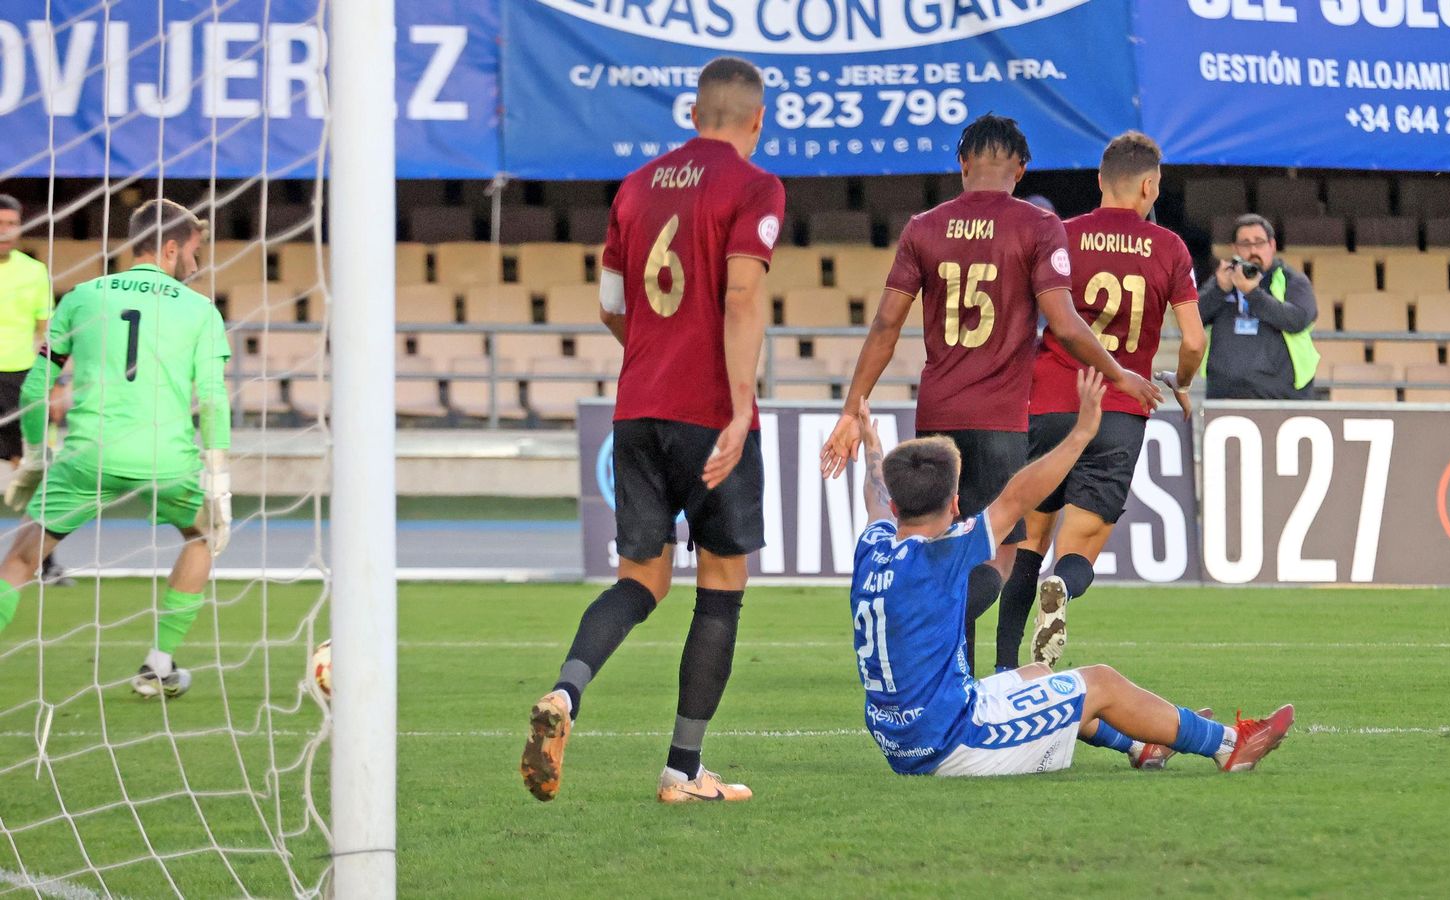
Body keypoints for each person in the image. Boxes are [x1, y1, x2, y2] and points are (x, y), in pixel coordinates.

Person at [520, 57, 784, 805]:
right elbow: (740, 298)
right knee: (722, 588)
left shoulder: (635, 187)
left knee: (641, 581)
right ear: (755, 120)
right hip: (707, 412)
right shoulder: (755, 187)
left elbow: (607, 302)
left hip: (636, 406)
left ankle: (566, 693)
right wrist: (738, 407)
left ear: (692, 113)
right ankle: (682, 769)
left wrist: (652, 352)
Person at [820, 114, 1163, 675]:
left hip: (937, 418)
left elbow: (884, 325)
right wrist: (1120, 374)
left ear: (961, 163)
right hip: (1005, 420)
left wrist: (852, 406)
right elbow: (1068, 324)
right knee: (997, 554)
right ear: (1021, 169)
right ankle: (933, 624)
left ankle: (952, 678)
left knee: (941, 548)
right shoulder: (1037, 226)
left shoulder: (923, 227)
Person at [848, 377, 1294, 778]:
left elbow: (876, 494)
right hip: (955, 742)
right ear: (955, 504)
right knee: (1099, 681)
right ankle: (1231, 746)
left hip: (901, 740)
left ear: (896, 508)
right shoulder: (942, 553)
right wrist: (1081, 433)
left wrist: (871, 442)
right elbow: (1016, 496)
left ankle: (1143, 743)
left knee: (1039, 672)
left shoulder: (874, 546)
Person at [994, 132, 1208, 693]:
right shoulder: (1169, 248)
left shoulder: (1063, 236)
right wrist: (1179, 382)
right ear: (1149, 185)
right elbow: (1192, 340)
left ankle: (999, 670)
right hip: (1118, 409)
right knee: (1078, 546)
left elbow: (1023, 315)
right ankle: (1061, 591)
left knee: (1027, 542)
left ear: (1098, 182)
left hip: (1051, 401)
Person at [0, 198, 233, 697]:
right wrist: (219, 478)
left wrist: (38, 458)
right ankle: (158, 666)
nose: (197, 263)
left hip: (88, 456)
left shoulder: (82, 297)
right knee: (204, 536)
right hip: (165, 460)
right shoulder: (199, 310)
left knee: (20, 561)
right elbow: (213, 400)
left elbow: (32, 388)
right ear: (171, 248)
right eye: (194, 251)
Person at [0, 195, 69, 585]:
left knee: (35, 474)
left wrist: (55, 384)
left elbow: (49, 335)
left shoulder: (33, 272)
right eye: (0, 223)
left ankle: (45, 563)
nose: (5, 231)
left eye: (11, 223)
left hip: (20, 383)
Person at [1198, 214, 1320, 400]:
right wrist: (1219, 290)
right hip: (1224, 395)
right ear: (1234, 249)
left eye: (1259, 242)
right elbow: (1192, 319)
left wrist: (1253, 295)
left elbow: (1298, 320)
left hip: (1280, 397)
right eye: (1245, 244)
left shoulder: (1292, 280)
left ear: (1272, 246)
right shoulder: (1223, 280)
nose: (1253, 250)